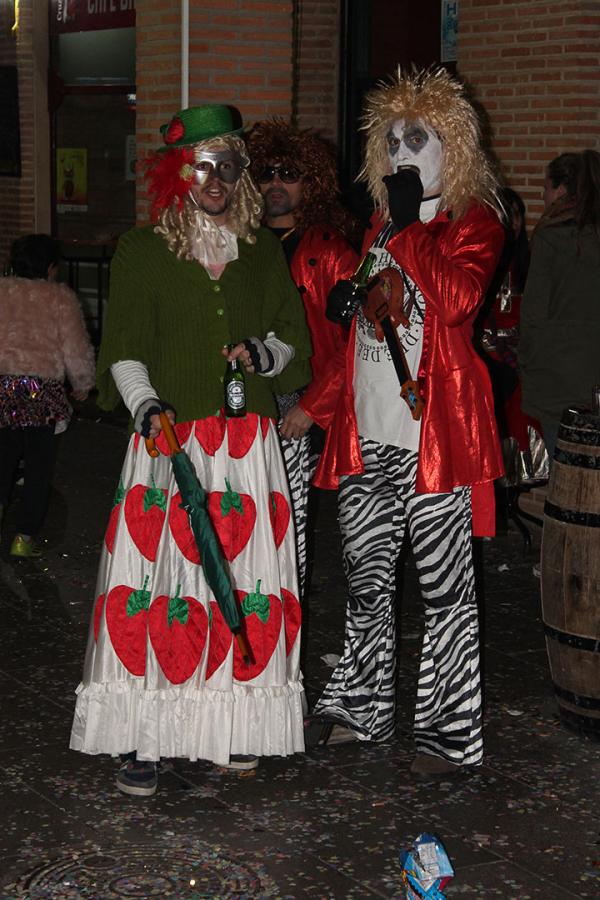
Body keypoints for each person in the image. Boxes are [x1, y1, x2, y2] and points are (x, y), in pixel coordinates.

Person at [69, 104, 312, 796]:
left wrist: (263, 353)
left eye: (229, 165)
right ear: (179, 171)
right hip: (167, 440)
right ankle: (143, 737)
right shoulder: (144, 250)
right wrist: (146, 404)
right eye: (205, 164)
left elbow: (291, 339)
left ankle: (228, 728)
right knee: (159, 586)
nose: (218, 178)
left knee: (238, 585)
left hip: (244, 450)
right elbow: (124, 350)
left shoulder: (262, 252)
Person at [304, 67, 505, 779]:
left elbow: (454, 302)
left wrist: (412, 226)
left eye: (416, 138)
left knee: (446, 592)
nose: (400, 153)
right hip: (368, 438)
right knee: (365, 584)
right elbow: (364, 334)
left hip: (436, 444)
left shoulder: (472, 222)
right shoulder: (379, 227)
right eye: (390, 141)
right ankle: (362, 708)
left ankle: (448, 734)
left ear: (451, 145)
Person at [246, 119, 359, 598]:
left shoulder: (330, 251)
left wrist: (313, 406)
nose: (275, 182)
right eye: (266, 171)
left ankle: (284, 627)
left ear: (309, 181)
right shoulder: (240, 244)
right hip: (241, 400)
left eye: (288, 172)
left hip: (295, 403)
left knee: (286, 525)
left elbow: (359, 340)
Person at [0, 234, 95, 557]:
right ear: (51, 267)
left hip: (2, 387)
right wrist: (82, 384)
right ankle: (23, 537)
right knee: (39, 466)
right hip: (42, 392)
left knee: (3, 459)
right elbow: (75, 348)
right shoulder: (59, 299)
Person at [519, 150, 600, 462]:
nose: (543, 195)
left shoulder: (552, 236)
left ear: (562, 191)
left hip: (560, 383)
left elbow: (534, 315)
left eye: (546, 188)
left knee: (568, 489)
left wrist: (525, 364)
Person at [475, 188, 547, 491]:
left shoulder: (526, 260)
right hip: (488, 348)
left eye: (518, 215)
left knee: (527, 406)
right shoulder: (483, 255)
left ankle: (519, 477)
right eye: (508, 215)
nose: (514, 222)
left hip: (521, 348)